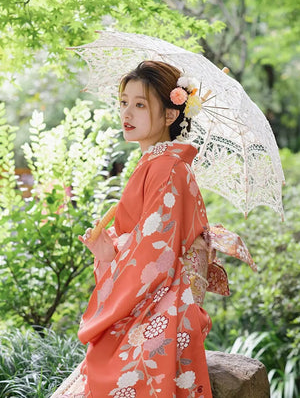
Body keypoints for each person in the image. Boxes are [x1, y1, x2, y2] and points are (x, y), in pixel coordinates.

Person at [51, 60, 256, 398]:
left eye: (140, 104)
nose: (126, 113)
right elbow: (145, 245)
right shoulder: (157, 163)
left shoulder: (167, 167)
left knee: (116, 372)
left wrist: (114, 256)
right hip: (157, 292)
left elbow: (153, 257)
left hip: (165, 302)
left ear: (170, 115)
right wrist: (106, 252)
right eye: (124, 102)